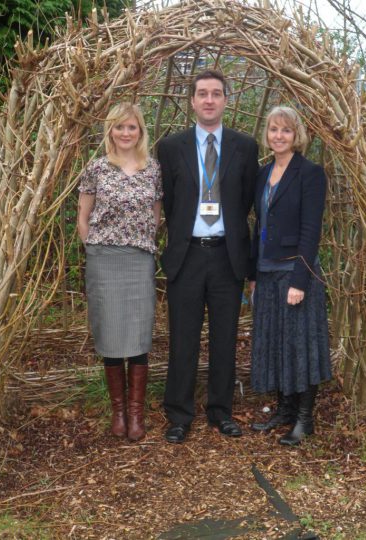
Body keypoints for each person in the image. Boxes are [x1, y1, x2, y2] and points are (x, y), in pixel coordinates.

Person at [158, 70, 259, 444]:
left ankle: (221, 412)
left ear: (226, 100)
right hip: (187, 255)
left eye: (216, 93)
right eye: (202, 93)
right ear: (192, 101)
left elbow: (246, 200)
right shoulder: (171, 147)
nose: (209, 100)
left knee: (225, 337)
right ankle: (179, 415)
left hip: (226, 256)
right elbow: (170, 202)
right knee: (182, 338)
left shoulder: (244, 147)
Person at [77, 102, 162, 441]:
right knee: (110, 333)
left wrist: (138, 240)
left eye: (132, 127)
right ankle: (119, 413)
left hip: (139, 258)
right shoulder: (97, 168)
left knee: (139, 333)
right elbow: (83, 218)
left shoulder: (153, 169)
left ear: (140, 132)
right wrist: (94, 249)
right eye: (119, 127)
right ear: (110, 130)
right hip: (104, 259)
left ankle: (137, 413)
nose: (126, 133)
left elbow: (155, 217)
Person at [249, 106, 332, 446]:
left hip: (296, 273)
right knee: (277, 343)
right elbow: (260, 227)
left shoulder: (310, 173)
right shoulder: (263, 173)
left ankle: (304, 419)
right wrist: (253, 273)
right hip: (267, 271)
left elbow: (311, 231)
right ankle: (284, 410)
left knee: (300, 346)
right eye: (273, 129)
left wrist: (300, 279)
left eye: (285, 130)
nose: (278, 136)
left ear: (296, 135)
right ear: (266, 134)